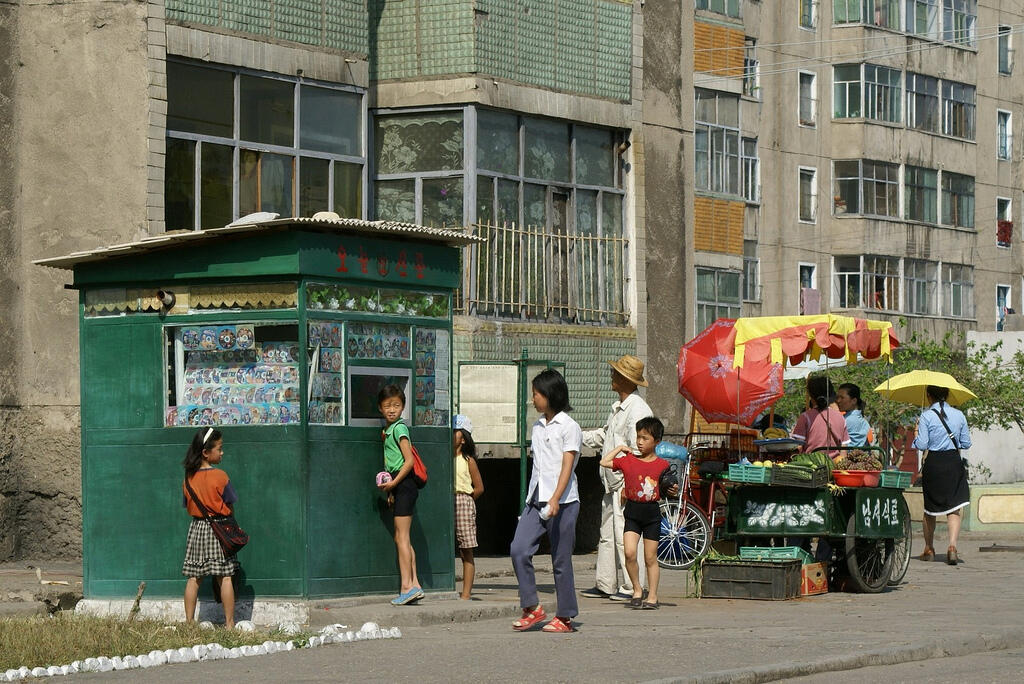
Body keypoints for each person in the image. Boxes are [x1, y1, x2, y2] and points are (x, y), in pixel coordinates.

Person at [510, 369, 582, 633]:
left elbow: (567, 466)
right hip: (536, 498)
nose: (533, 399)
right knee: (518, 549)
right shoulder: (538, 426)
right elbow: (539, 468)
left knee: (560, 560)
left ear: (551, 395)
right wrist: (534, 499)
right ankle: (532, 607)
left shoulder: (569, 427)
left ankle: (565, 616)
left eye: (537, 394)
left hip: (563, 501)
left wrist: (555, 499)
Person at [580, 355, 653, 602]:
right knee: (608, 534)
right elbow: (605, 436)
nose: (611, 377)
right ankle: (606, 583)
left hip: (625, 484)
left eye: (615, 374)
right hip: (611, 482)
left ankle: (632, 586)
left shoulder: (638, 410)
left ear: (624, 379)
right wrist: (576, 436)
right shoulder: (619, 408)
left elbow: (640, 448)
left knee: (626, 537)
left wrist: (631, 483)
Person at [599, 416, 670, 610]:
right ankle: (637, 589)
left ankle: (653, 596)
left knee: (650, 557)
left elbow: (670, 488)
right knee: (629, 553)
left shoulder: (663, 465)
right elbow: (604, 462)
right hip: (632, 512)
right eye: (638, 437)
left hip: (652, 514)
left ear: (657, 441)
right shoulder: (628, 460)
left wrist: (672, 489)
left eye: (645, 438)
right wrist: (620, 448)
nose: (640, 441)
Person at [181, 427, 238, 629]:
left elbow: (186, 504)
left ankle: (189, 624)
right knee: (225, 577)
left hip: (197, 529)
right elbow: (230, 504)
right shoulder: (221, 477)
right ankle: (229, 624)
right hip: (219, 529)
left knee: (194, 577)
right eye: (219, 449)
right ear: (206, 452)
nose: (222, 453)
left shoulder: (188, 477)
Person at [913, 385, 972, 565]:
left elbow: (922, 444)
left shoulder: (926, 416)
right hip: (953, 462)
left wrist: (916, 433)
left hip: (934, 463)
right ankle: (952, 546)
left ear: (928, 396)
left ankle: (929, 548)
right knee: (954, 507)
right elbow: (966, 443)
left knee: (930, 509)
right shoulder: (959, 415)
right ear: (947, 395)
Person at [376, 384, 424, 605]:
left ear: (403, 407)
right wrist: (392, 489)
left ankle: (407, 586)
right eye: (387, 406)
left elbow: (409, 461)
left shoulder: (399, 429)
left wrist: (394, 483)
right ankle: (415, 584)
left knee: (402, 538)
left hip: (404, 483)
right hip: (399, 486)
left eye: (396, 405)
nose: (392, 409)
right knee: (400, 537)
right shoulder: (389, 430)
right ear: (380, 408)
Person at [453, 414, 484, 600]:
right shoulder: (444, 457)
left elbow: (479, 488)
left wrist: (468, 500)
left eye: (455, 432)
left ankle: (466, 593)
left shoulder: (468, 461)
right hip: (447, 501)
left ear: (463, 438)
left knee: (466, 550)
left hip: (463, 501)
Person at [792, 375, 850, 456]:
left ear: (811, 396)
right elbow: (844, 451)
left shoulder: (805, 417)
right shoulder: (840, 417)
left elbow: (797, 447)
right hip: (835, 466)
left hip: (811, 466)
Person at [836, 382, 873, 447]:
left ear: (854, 401)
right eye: (837, 397)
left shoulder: (847, 420)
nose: (838, 401)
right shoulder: (863, 421)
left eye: (842, 398)